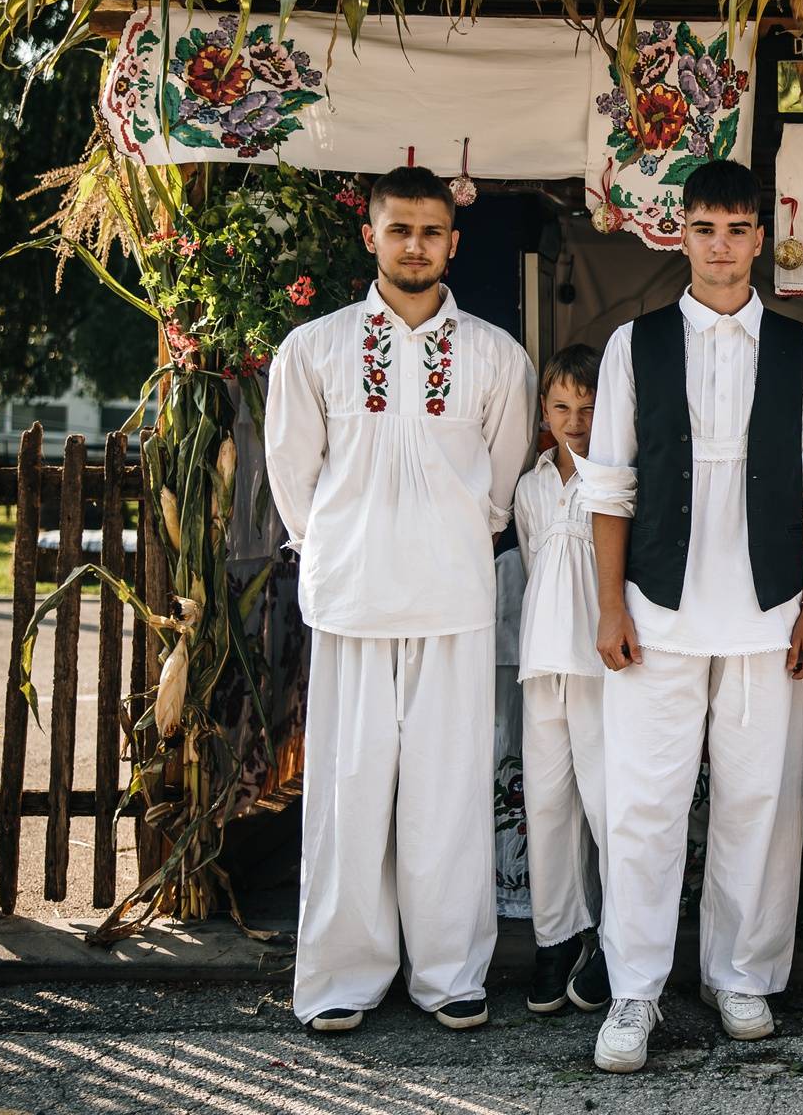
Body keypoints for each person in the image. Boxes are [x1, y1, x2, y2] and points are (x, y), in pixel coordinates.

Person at [575, 158, 803, 1074]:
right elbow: (608, 486)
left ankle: (741, 974)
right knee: (643, 804)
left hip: (768, 613)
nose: (721, 246)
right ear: (678, 234)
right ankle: (634, 992)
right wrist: (609, 604)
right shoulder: (632, 345)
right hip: (657, 607)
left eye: (738, 229)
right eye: (704, 228)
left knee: (756, 803)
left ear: (760, 237)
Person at [265, 164, 537, 1033]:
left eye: (430, 231)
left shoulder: (497, 354)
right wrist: (351, 546)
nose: (414, 245)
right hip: (350, 601)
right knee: (347, 794)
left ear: (453, 242)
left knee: (447, 794)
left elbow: (498, 491)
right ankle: (342, 979)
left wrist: (442, 537)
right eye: (399, 230)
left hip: (454, 600)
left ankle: (450, 974)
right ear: (370, 235)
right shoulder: (314, 348)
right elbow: (293, 482)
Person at [515, 343, 613, 1015]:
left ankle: (617, 938)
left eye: (587, 407)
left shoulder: (614, 478)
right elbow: (531, 559)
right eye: (562, 407)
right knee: (547, 806)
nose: (574, 420)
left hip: (602, 668)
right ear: (544, 412)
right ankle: (558, 936)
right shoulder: (529, 486)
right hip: (542, 663)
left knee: (610, 807)